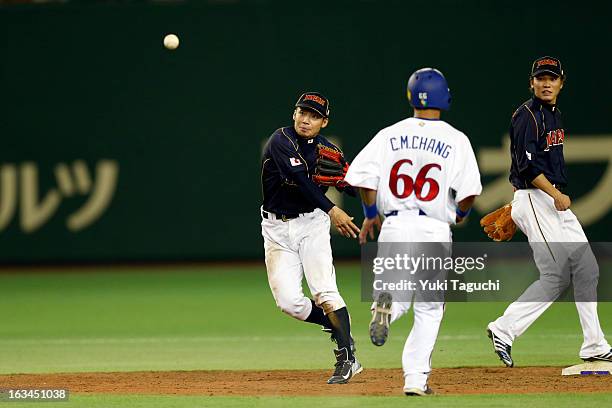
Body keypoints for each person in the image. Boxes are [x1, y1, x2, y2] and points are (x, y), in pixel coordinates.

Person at [344, 68, 482, 395]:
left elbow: (363, 178)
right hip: (433, 227)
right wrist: (461, 213)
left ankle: (385, 307)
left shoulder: (389, 134)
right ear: (444, 96)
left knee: (397, 292)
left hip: (394, 225)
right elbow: (469, 193)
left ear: (411, 96)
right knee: (430, 307)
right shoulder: (455, 138)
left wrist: (370, 214)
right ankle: (416, 380)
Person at [486, 56, 612, 367]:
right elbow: (527, 167)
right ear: (531, 82)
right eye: (540, 77)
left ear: (561, 83)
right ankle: (503, 329)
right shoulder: (526, 116)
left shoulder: (554, 114)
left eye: (551, 78)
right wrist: (546, 197)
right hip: (538, 197)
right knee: (556, 274)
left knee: (587, 269)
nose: (546, 83)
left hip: (548, 200)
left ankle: (594, 344)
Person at [260, 92, 362, 384]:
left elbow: (352, 184)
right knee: (289, 303)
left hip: (312, 225)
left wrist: (372, 196)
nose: (306, 119)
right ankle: (336, 326)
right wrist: (334, 211)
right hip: (277, 230)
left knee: (325, 291)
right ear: (294, 113)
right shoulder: (280, 140)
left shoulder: (328, 151)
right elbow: (303, 182)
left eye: (314, 116)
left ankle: (347, 357)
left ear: (324, 121)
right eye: (302, 112)